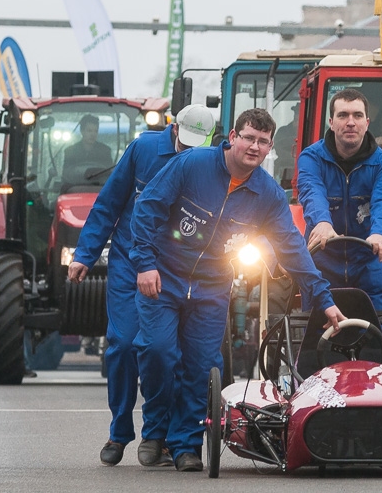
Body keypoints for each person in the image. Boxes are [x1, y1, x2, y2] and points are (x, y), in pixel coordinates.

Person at [129, 107, 346, 472]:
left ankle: (185, 445)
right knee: (157, 352)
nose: (254, 146)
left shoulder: (269, 195)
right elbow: (147, 209)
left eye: (262, 142)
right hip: (163, 279)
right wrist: (145, 264)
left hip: (213, 287)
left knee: (202, 366)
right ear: (232, 137)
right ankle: (155, 430)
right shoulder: (192, 165)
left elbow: (292, 247)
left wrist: (323, 299)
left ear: (269, 148)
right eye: (248, 137)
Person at [66, 103, 216, 467]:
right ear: (174, 129)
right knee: (121, 344)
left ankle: (162, 435)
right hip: (129, 262)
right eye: (184, 142)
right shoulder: (144, 149)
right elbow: (109, 203)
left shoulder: (208, 161)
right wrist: (85, 254)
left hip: (175, 266)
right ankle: (119, 432)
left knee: (166, 353)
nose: (188, 152)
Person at [297, 88, 382, 313]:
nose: (350, 122)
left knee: (379, 338)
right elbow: (311, 191)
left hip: (367, 259)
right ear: (331, 123)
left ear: (367, 123)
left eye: (357, 115)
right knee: (316, 338)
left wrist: (380, 232)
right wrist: (322, 222)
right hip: (322, 258)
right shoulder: (311, 158)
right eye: (343, 115)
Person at [62, 114, 113, 188]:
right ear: (82, 131)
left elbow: (109, 176)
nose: (93, 134)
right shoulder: (70, 151)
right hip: (74, 189)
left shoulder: (105, 151)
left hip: (100, 189)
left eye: (95, 131)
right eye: (89, 131)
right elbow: (66, 177)